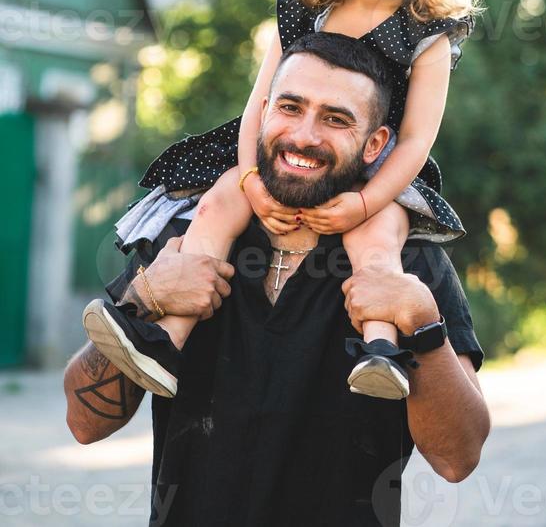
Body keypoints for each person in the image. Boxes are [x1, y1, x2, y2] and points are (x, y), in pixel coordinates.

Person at [82, 0, 484, 401]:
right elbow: (260, 106)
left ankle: (380, 350)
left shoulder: (427, 37)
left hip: (376, 168)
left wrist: (365, 203)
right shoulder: (307, 8)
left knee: (379, 235)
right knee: (219, 199)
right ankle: (166, 338)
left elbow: (414, 140)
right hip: (279, 152)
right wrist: (249, 180)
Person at [66, 33, 489, 527]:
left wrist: (424, 327)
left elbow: (457, 459)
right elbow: (85, 424)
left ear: (375, 144)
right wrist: (142, 299)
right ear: (262, 112)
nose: (304, 136)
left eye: (335, 119)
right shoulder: (184, 241)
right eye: (291, 107)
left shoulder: (409, 265)